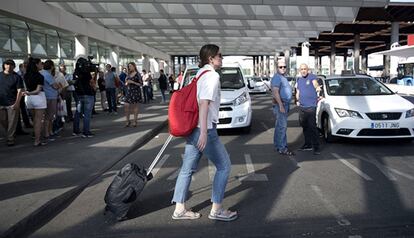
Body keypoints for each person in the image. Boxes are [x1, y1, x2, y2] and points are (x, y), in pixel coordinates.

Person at [171, 44, 237, 222]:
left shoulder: (199, 74)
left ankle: (179, 209)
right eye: (220, 55)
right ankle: (216, 210)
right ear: (211, 58)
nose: (221, 58)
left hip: (194, 127)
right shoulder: (212, 76)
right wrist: (204, 132)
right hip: (204, 128)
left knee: (187, 169)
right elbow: (204, 103)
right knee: (224, 166)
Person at [295, 64, 321, 155]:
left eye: (305, 69)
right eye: (301, 69)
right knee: (304, 126)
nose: (303, 71)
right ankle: (308, 144)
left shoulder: (312, 77)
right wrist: (297, 100)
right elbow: (298, 91)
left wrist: (317, 88)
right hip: (302, 107)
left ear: (308, 70)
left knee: (312, 127)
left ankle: (316, 147)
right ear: (299, 70)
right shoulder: (299, 79)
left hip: (311, 107)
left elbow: (315, 84)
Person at [271, 60, 294, 156]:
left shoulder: (282, 77)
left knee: (279, 126)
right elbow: (275, 92)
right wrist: (280, 105)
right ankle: (282, 148)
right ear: (277, 68)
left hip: (284, 104)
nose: (283, 68)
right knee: (282, 127)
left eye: (284, 67)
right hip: (281, 105)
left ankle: (278, 145)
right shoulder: (277, 77)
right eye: (281, 67)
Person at [0, 59, 24, 146]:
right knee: (2, 120)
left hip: (12, 102)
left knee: (12, 121)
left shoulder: (16, 77)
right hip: (1, 102)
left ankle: (10, 138)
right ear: (4, 65)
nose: (9, 66)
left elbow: (19, 91)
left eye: (11, 65)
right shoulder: (0, 75)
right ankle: (11, 132)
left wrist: (17, 103)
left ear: (14, 66)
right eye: (7, 64)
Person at [23, 57, 46, 146]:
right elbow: (38, 91)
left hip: (29, 99)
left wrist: (28, 93)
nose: (41, 65)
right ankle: (37, 140)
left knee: (34, 119)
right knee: (38, 120)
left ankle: (35, 135)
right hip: (38, 98)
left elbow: (26, 89)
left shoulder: (25, 75)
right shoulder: (40, 76)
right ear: (36, 65)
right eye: (40, 63)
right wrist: (30, 93)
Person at [73, 57, 95, 138]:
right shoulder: (86, 72)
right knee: (87, 114)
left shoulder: (76, 72)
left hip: (79, 94)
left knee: (78, 112)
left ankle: (76, 130)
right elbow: (91, 82)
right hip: (88, 94)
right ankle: (86, 132)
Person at [41, 60, 60, 142]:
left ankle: (50, 131)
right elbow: (55, 86)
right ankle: (47, 133)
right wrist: (58, 85)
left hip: (45, 96)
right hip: (51, 96)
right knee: (49, 116)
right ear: (52, 66)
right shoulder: (47, 74)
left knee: (48, 116)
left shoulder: (41, 73)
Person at [124, 62, 143, 127]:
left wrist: (133, 82)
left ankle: (135, 121)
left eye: (131, 66)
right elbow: (126, 83)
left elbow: (140, 84)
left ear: (134, 66)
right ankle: (127, 120)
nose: (130, 67)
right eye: (129, 66)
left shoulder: (138, 74)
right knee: (126, 105)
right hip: (129, 91)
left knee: (135, 106)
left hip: (136, 91)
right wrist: (126, 82)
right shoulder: (128, 74)